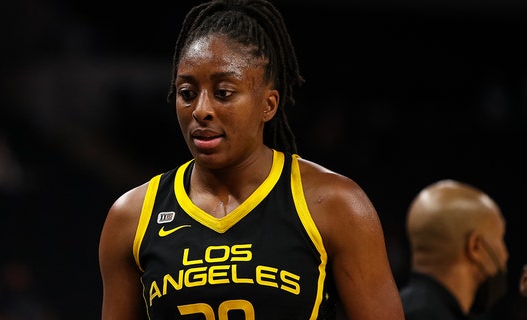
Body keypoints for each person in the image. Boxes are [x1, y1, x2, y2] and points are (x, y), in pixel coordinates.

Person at [98, 0, 404, 319]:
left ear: (268, 105)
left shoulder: (336, 204)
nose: (201, 109)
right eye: (187, 93)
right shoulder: (131, 217)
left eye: (224, 92)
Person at [399, 179, 508, 320]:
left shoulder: (398, 308)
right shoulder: (434, 315)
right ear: (475, 247)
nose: (506, 254)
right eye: (500, 238)